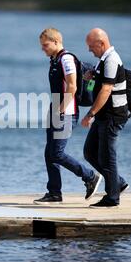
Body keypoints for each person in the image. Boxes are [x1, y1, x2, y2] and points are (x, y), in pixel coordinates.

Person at [34, 28, 102, 205]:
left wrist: (62, 109)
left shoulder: (66, 59)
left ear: (56, 41)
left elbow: (72, 87)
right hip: (56, 108)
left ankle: (90, 176)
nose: (43, 48)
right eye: (42, 46)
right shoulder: (54, 59)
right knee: (49, 152)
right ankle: (54, 193)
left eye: (45, 45)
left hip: (66, 111)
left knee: (56, 153)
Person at [81, 28, 129, 208]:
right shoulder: (103, 61)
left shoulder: (111, 60)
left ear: (101, 43)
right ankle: (118, 183)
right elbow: (98, 84)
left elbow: (106, 90)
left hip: (112, 116)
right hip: (103, 115)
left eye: (91, 46)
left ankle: (112, 198)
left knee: (107, 157)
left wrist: (90, 114)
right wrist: (91, 77)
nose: (89, 50)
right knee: (90, 152)